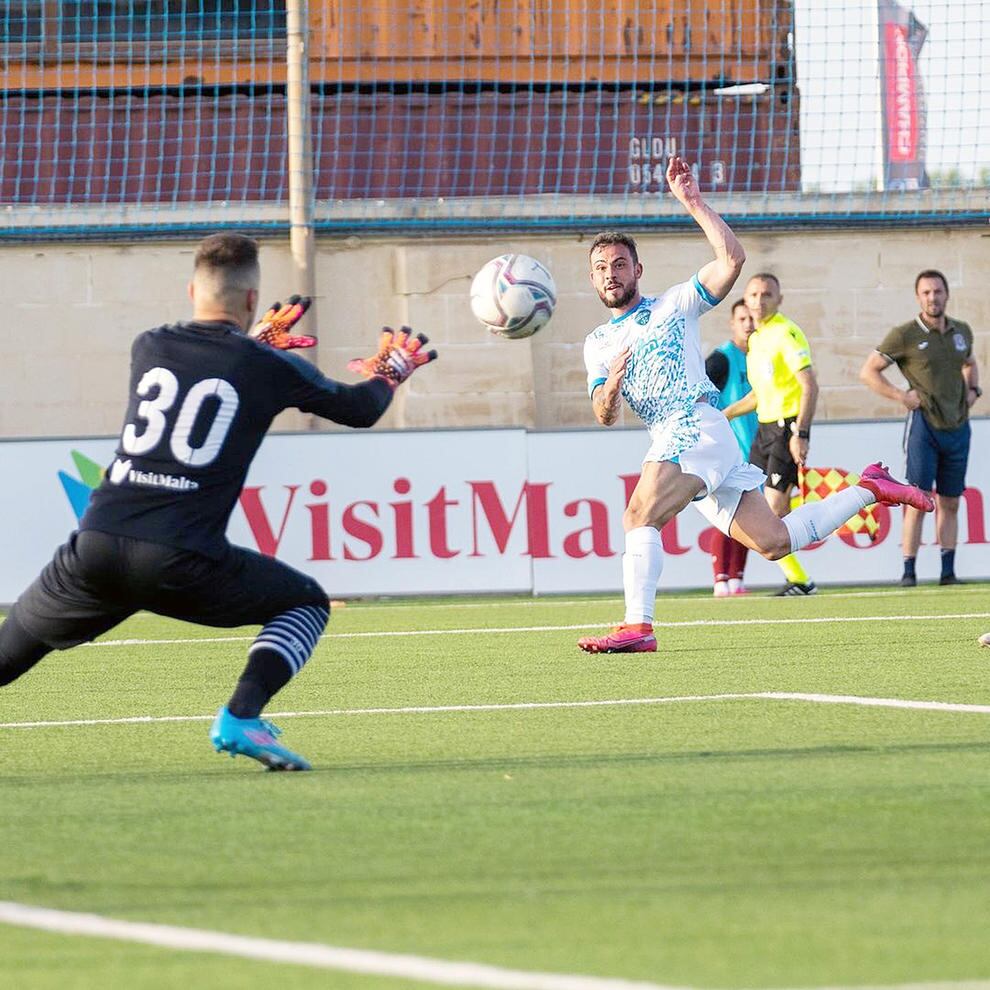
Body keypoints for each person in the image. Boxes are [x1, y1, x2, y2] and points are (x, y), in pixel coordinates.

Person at [0, 232, 436, 770]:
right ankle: (242, 717)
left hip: (96, 546)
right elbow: (359, 408)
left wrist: (256, 345)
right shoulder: (270, 367)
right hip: (178, 558)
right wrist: (390, 371)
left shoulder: (149, 345)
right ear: (252, 300)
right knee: (304, 603)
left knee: (5, 657)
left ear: (191, 290)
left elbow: (214, 373)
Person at [577, 156, 934, 654]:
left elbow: (731, 263)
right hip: (673, 435)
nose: (610, 274)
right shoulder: (596, 344)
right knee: (774, 542)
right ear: (592, 280)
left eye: (619, 264)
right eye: (600, 268)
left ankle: (638, 626)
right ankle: (870, 489)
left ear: (637, 269)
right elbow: (602, 413)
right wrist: (611, 388)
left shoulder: (673, 304)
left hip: (695, 424)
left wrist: (693, 202)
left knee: (640, 515)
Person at [860, 270, 981, 586]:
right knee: (917, 497)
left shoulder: (961, 332)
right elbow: (868, 371)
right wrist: (901, 395)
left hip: (958, 427)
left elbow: (970, 362)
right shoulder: (905, 335)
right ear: (918, 297)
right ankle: (909, 571)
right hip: (924, 426)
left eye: (938, 291)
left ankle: (948, 572)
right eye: (926, 292)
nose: (933, 297)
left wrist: (973, 391)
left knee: (951, 501)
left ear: (946, 294)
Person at [722, 273, 820, 596]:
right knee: (759, 510)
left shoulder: (785, 333)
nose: (759, 300)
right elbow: (757, 396)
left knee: (776, 508)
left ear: (779, 299)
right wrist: (723, 415)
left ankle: (801, 580)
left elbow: (809, 385)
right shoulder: (756, 340)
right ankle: (800, 579)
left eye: (767, 294)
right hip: (763, 430)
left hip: (786, 427)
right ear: (746, 300)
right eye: (753, 294)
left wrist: (801, 432)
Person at [705, 300, 757, 596]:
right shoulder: (722, 359)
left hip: (755, 448)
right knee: (726, 516)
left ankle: (737, 579)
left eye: (751, 318)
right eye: (742, 318)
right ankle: (720, 578)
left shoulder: (761, 357)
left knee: (751, 517)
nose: (748, 323)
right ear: (732, 323)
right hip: (729, 451)